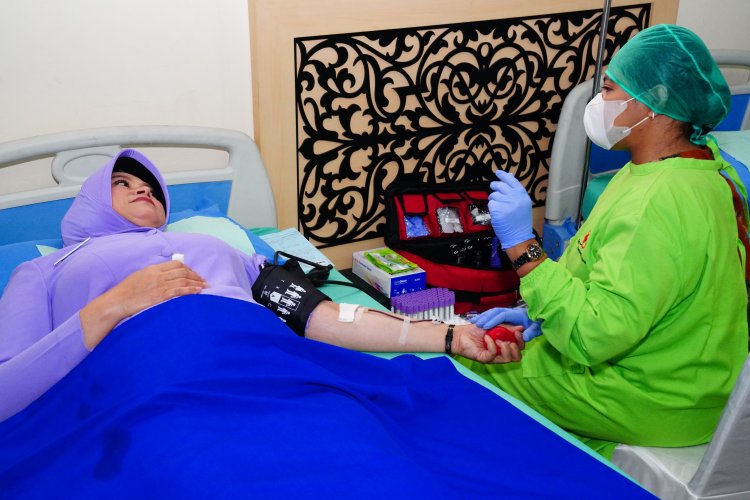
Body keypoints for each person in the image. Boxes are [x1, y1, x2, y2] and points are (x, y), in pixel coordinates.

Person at [0, 149, 522, 422]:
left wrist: (451, 336)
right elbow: (7, 393)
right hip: (143, 383)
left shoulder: (225, 251)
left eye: (151, 188)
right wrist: (115, 303)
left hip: (260, 362)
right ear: (91, 202)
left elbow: (324, 316)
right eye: (122, 184)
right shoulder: (45, 271)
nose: (143, 191)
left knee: (356, 434)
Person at [456, 24, 749, 458]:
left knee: (465, 364)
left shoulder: (657, 202)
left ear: (656, 101)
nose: (599, 102)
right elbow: (612, 275)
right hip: (693, 380)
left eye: (610, 89)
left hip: (650, 397)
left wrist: (521, 246)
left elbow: (592, 336)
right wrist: (537, 313)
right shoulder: (701, 167)